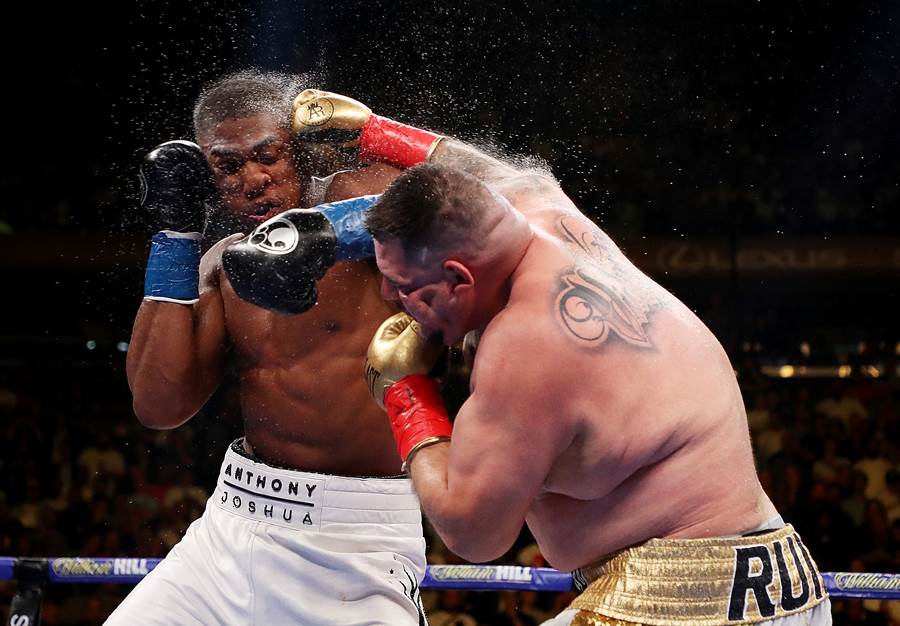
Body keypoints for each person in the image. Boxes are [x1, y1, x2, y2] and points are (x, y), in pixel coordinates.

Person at [286, 91, 832, 625]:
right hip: (773, 575)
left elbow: (474, 531)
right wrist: (376, 133)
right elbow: (483, 171)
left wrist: (407, 393)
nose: (391, 298)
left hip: (687, 600)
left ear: (458, 278)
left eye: (406, 285)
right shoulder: (542, 211)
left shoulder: (526, 347)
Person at [108, 72, 429, 625]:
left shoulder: (356, 199)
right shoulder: (222, 265)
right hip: (230, 526)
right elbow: (159, 406)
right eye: (228, 167)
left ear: (298, 150)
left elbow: (474, 201)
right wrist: (175, 239)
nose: (253, 180)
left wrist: (340, 217)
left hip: (354, 537)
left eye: (267, 156)